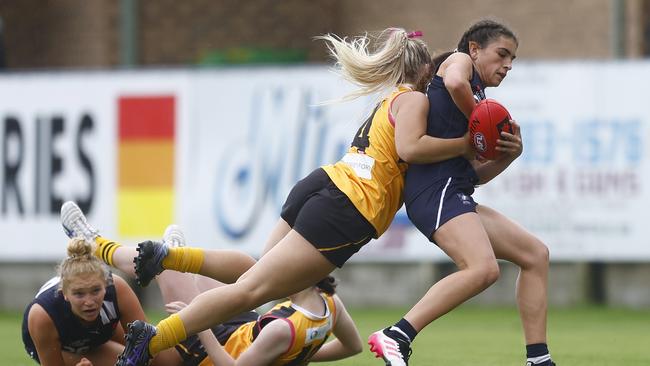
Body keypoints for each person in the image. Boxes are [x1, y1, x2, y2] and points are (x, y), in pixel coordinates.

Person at [112, 27, 480, 366]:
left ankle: (173, 257)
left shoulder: (388, 99)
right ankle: (155, 339)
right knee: (250, 292)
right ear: (428, 74)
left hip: (324, 183)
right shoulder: (416, 101)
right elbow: (412, 149)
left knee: (253, 275)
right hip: (349, 209)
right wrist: (467, 143)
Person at [367, 20, 556, 366]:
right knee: (483, 270)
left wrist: (508, 156)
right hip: (434, 191)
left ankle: (539, 359)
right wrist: (479, 120)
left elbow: (476, 175)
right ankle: (397, 334)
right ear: (473, 48)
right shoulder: (459, 63)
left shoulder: (478, 93)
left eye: (513, 59)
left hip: (455, 190)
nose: (508, 65)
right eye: (502, 54)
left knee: (535, 255)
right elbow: (454, 83)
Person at [60, 201, 363, 365]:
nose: (278, 259)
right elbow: (353, 347)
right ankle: (173, 256)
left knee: (167, 271)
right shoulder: (329, 303)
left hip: (213, 350)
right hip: (247, 329)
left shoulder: (281, 330)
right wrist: (297, 358)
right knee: (235, 273)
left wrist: (200, 324)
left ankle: (96, 242)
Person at [21, 237, 182, 366]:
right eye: (79, 294)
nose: (89, 301)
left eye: (96, 291)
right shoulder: (43, 315)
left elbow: (146, 344)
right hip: (65, 347)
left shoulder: (117, 288)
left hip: (100, 331)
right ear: (64, 294)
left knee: (173, 361)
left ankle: (175, 252)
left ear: (105, 285)